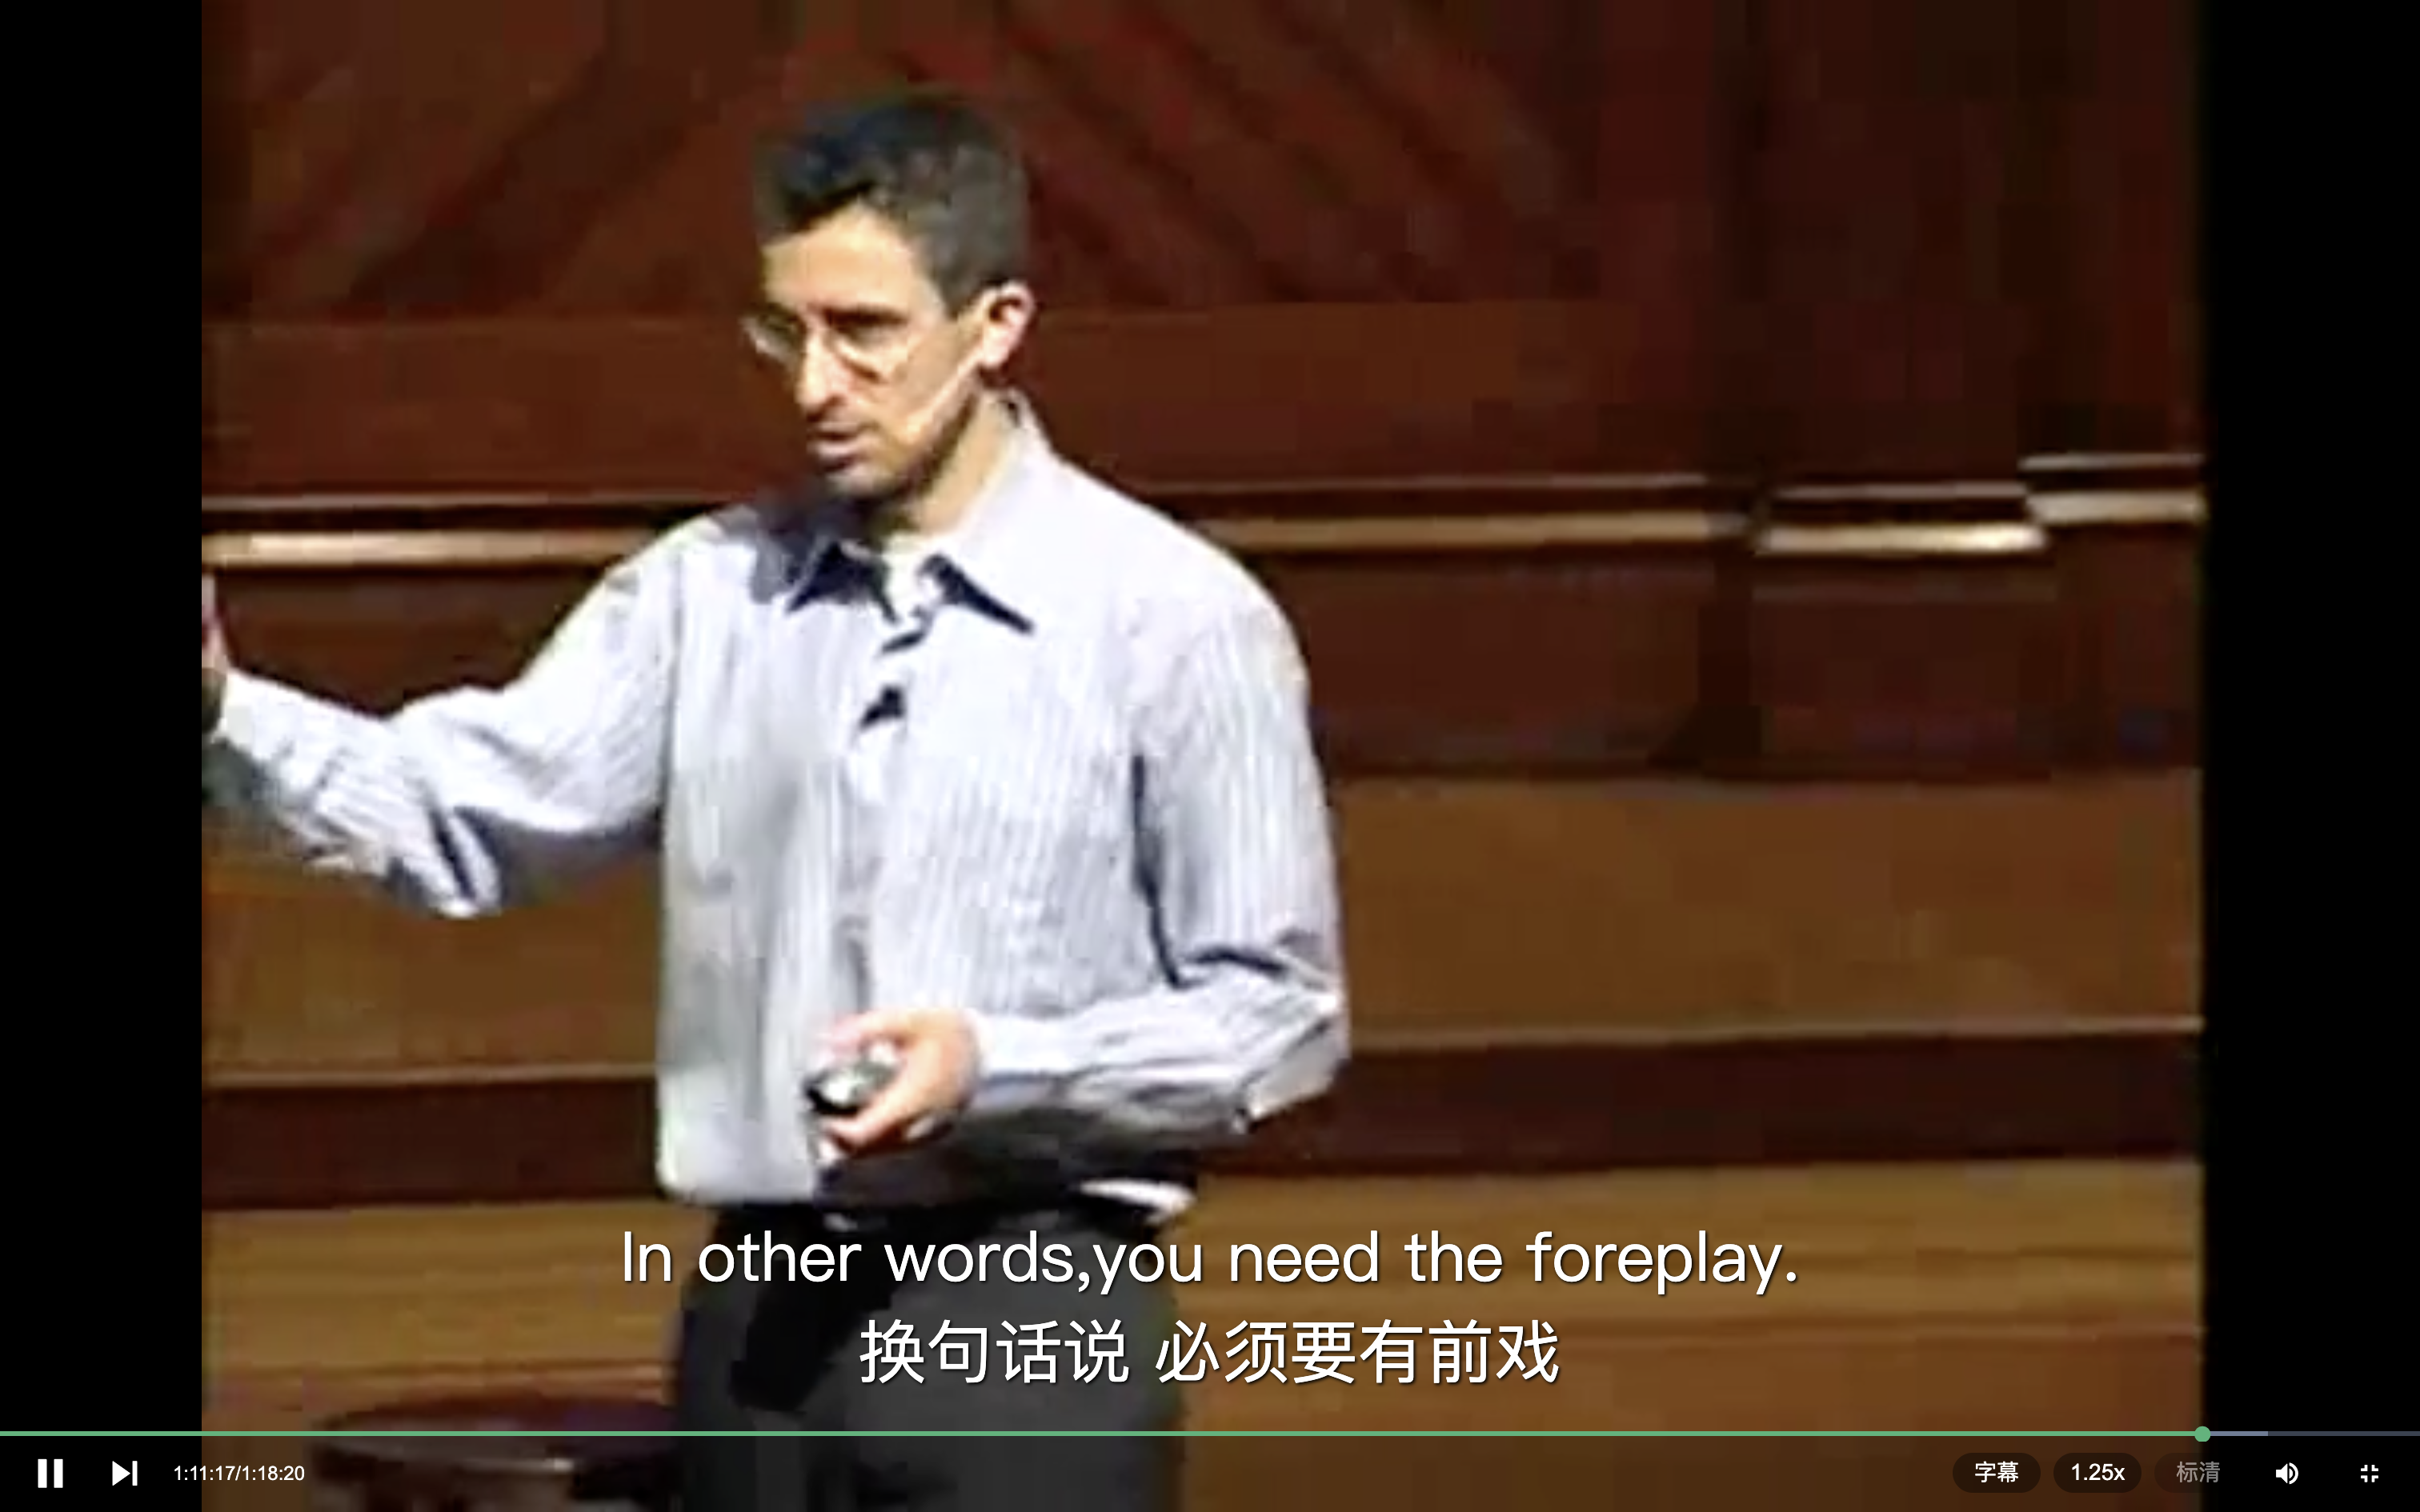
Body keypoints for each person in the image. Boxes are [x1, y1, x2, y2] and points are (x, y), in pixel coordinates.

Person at [201, 90, 1348, 1512]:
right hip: (758, 1324)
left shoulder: (1174, 620)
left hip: (1030, 1314)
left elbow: (1276, 1011)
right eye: (782, 332)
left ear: (995, 324)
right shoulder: (707, 593)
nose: (814, 385)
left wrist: (993, 1064)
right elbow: (463, 806)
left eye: (864, 333)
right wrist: (221, 708)